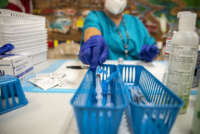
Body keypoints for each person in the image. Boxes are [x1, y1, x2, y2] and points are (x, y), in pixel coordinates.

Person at [79, 0, 158, 71]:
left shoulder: (135, 21)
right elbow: (91, 30)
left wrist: (151, 52)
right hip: (105, 72)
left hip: (135, 73)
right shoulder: (95, 16)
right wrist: (94, 39)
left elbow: (150, 43)